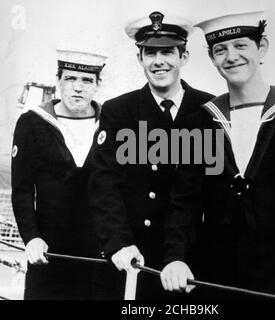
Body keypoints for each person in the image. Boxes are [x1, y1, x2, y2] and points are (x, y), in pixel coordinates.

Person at [161, 10, 275, 300]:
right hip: (212, 280)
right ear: (212, 59)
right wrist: (176, 257)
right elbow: (185, 201)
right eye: (220, 50)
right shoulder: (201, 121)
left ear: (261, 48)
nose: (231, 57)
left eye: (241, 46)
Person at [88, 11, 214, 299]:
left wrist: (178, 255)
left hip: (188, 265)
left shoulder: (209, 112)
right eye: (150, 53)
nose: (159, 61)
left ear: (184, 56)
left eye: (168, 51)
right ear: (139, 59)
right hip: (131, 260)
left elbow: (203, 193)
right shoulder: (118, 112)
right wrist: (118, 243)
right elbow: (102, 184)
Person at [11, 48, 107, 299]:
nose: (78, 87)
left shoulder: (111, 123)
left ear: (98, 84)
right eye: (70, 79)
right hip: (47, 254)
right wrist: (31, 238)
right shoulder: (32, 123)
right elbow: (22, 190)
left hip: (99, 256)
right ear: (57, 81)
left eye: (87, 80)